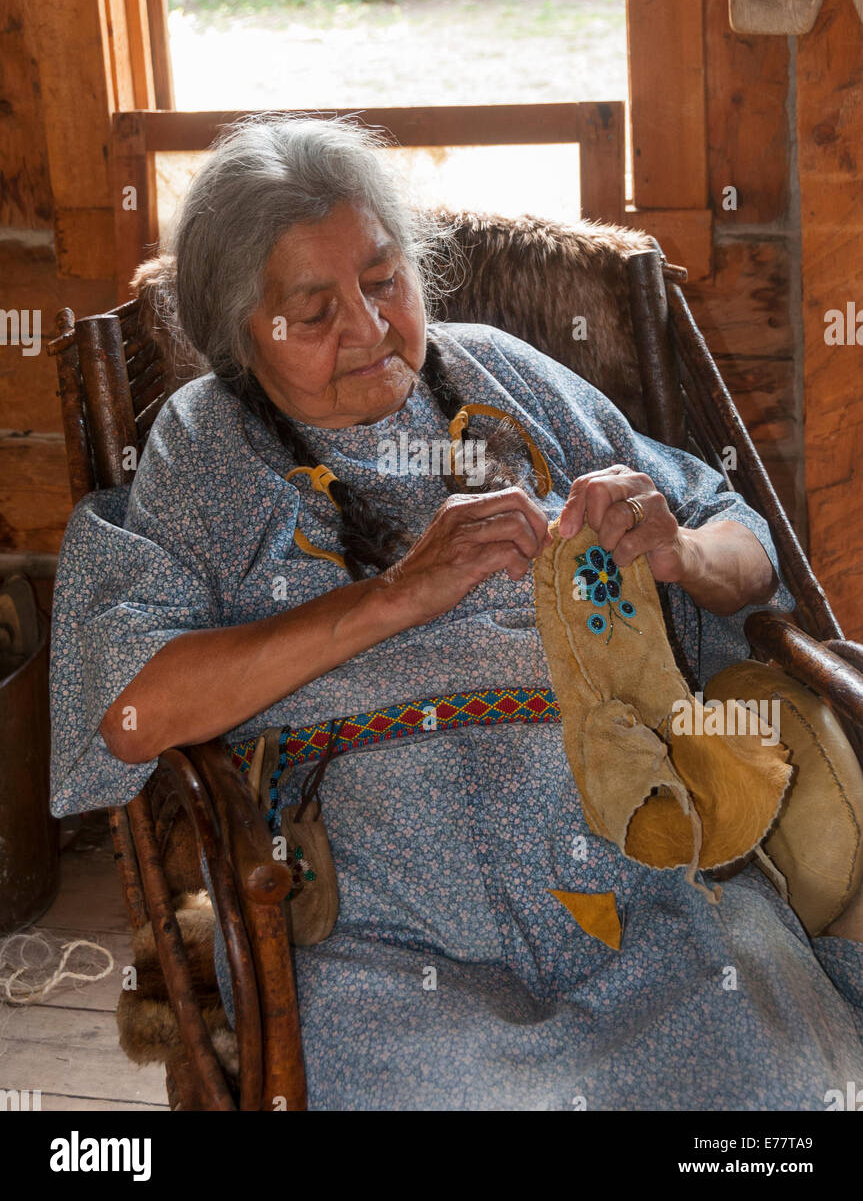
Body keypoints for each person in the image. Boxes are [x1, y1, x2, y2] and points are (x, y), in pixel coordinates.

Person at [50, 116, 863, 1111]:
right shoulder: (205, 451)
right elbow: (132, 706)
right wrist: (389, 597)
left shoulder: (505, 375)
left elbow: (740, 547)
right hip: (384, 930)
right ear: (237, 330)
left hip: (643, 868)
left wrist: (676, 550)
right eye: (313, 312)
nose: (369, 326)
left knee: (776, 1077)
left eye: (385, 280)